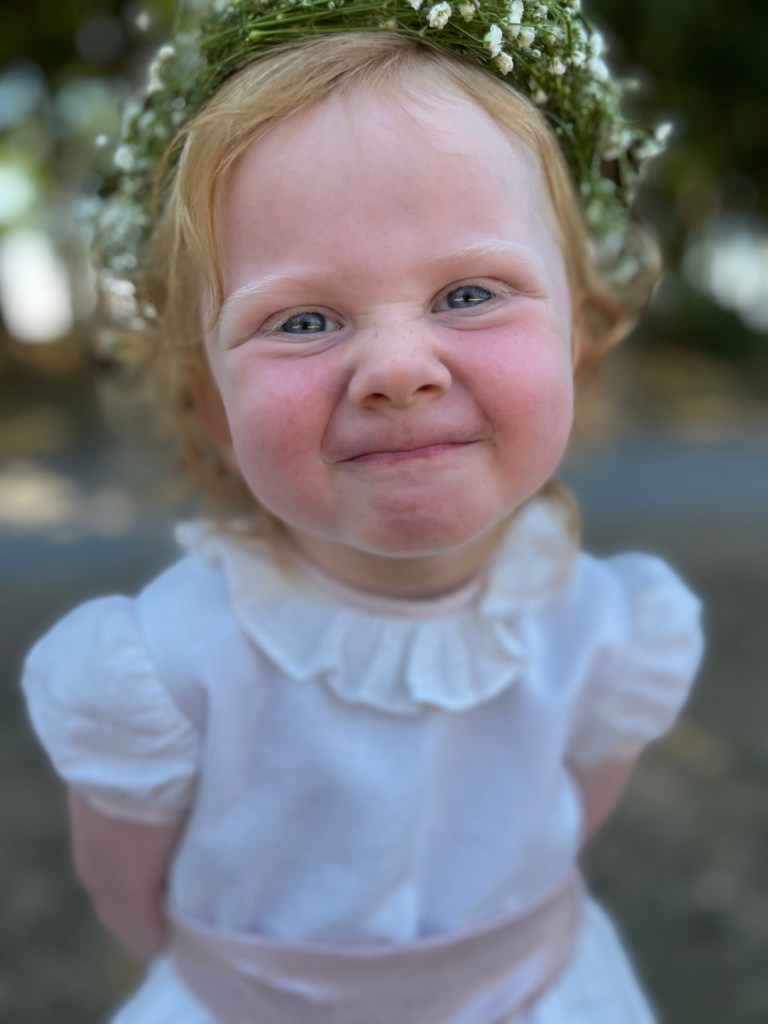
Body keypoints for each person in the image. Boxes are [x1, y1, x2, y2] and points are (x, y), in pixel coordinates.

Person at [22, 3, 703, 1021]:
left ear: (574, 337)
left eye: (469, 294)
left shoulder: (606, 624)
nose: (396, 369)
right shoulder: (166, 661)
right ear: (212, 405)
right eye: (303, 319)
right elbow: (129, 892)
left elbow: (568, 821)